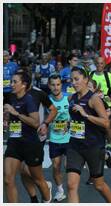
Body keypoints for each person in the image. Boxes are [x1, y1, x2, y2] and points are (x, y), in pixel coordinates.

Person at [66, 67, 111, 202]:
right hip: (75, 146)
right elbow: (76, 119)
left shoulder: (94, 99)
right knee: (71, 185)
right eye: (72, 80)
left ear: (86, 80)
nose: (74, 83)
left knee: (98, 185)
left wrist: (85, 114)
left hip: (93, 146)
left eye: (77, 79)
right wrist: (69, 124)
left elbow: (106, 123)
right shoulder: (72, 97)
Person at [4, 71, 52, 203]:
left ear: (23, 85)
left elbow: (35, 122)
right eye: (11, 81)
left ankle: (47, 198)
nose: (11, 84)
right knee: (8, 180)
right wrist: (5, 117)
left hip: (30, 144)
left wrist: (16, 113)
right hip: (14, 142)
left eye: (14, 82)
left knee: (37, 179)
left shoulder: (29, 99)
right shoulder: (11, 98)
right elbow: (9, 118)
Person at [47, 74, 71, 201]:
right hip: (54, 138)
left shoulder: (69, 97)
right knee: (56, 166)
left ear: (61, 85)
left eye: (58, 84)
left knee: (69, 166)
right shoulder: (47, 100)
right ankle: (60, 190)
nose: (56, 87)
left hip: (69, 138)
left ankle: (72, 189)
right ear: (49, 86)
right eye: (53, 85)